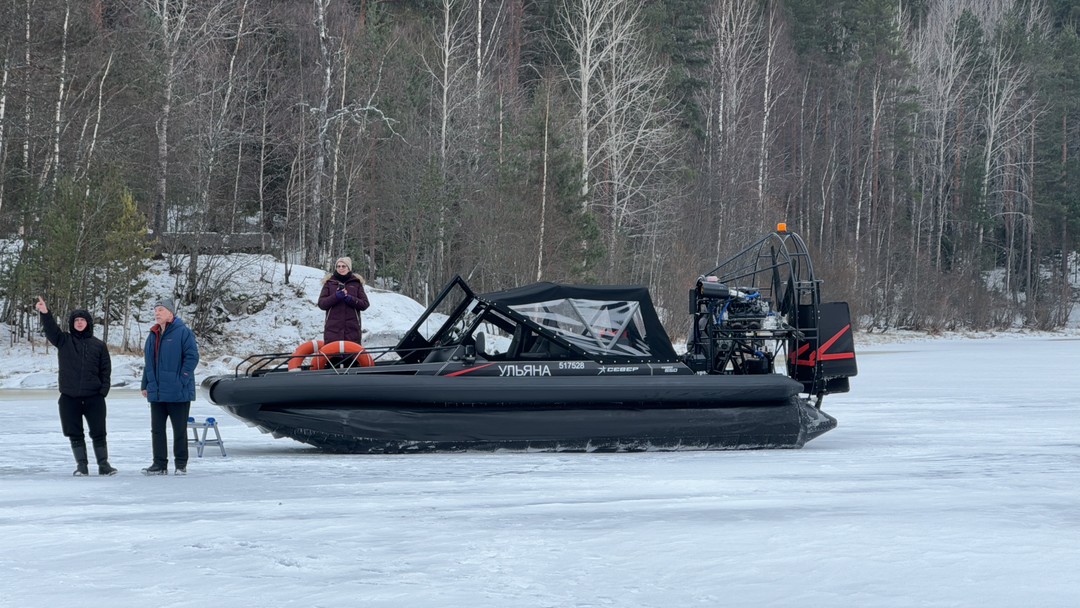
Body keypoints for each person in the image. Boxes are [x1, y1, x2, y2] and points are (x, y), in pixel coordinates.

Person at [35, 297, 117, 476]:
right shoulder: (63, 340)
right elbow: (51, 329)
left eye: (83, 320)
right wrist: (45, 313)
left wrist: (103, 391)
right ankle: (82, 465)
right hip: (69, 397)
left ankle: (104, 464)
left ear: (88, 323)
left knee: (98, 432)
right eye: (76, 320)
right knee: (74, 432)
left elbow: (106, 370)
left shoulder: (98, 345)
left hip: (94, 397)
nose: (79, 323)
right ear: (72, 323)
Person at [140, 298, 199, 476]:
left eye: (161, 310)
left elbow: (192, 357)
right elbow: (149, 363)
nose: (157, 313)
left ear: (170, 313)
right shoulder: (153, 334)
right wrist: (145, 384)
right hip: (157, 391)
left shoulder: (183, 332)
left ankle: (181, 464)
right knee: (157, 430)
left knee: (179, 429)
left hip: (178, 391)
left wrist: (182, 379)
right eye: (155, 310)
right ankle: (159, 464)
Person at [317, 256, 370, 343]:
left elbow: (365, 304)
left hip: (352, 331)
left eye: (343, 266)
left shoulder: (356, 283)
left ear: (349, 268)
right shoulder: (329, 283)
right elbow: (322, 304)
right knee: (332, 356)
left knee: (352, 356)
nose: (341, 268)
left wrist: (350, 299)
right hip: (332, 331)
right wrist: (336, 297)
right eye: (338, 266)